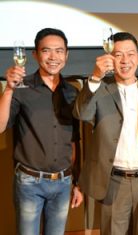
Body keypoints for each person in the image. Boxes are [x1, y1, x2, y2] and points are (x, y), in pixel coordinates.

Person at [73, 32, 138, 235]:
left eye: (130, 54)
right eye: (118, 55)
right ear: (111, 59)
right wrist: (95, 77)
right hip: (113, 182)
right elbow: (82, 114)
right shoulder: (100, 91)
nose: (125, 60)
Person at [0, 28, 83, 235]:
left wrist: (77, 182)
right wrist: (8, 89)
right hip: (29, 182)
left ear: (66, 55)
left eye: (59, 51)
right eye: (46, 51)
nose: (53, 57)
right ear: (35, 55)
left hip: (64, 183)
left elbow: (74, 141)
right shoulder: (20, 88)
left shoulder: (72, 92)